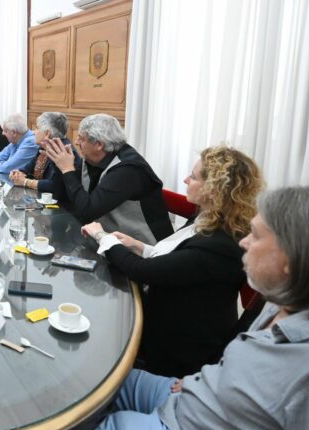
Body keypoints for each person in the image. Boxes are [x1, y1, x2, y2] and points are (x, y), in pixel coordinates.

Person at [87, 186, 309, 430]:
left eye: (256, 236)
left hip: (185, 429)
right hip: (191, 393)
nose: (244, 242)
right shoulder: (285, 299)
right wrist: (205, 380)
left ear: (292, 258)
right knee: (95, 376)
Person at [82, 146, 264, 377]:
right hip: (174, 319)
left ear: (214, 189)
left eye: (194, 177)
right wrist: (138, 245)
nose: (186, 179)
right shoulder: (211, 217)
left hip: (179, 349)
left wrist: (102, 236)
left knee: (98, 339)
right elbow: (179, 260)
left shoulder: (221, 243)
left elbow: (142, 271)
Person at [44, 113, 172, 243]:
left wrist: (67, 169)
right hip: (107, 240)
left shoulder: (128, 169)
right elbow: (66, 198)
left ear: (99, 145)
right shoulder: (94, 159)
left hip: (145, 248)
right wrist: (59, 165)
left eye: (81, 138)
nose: (76, 142)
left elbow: (87, 213)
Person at [9, 112, 76, 194]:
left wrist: (25, 182)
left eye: (37, 128)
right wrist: (18, 173)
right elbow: (28, 168)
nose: (33, 132)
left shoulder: (64, 152)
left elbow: (54, 185)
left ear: (47, 133)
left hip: (60, 204)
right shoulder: (43, 147)